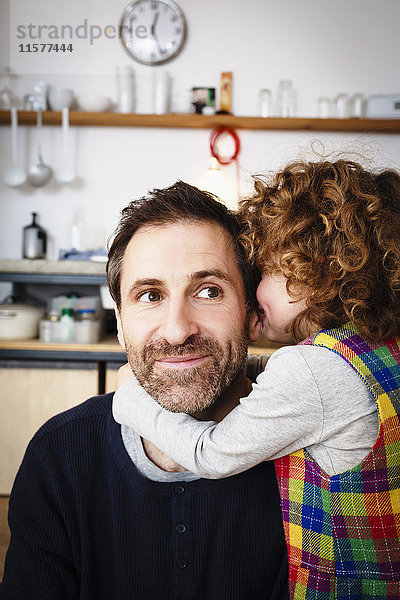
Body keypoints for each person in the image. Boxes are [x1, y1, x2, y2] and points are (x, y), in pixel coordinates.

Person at [113, 160, 400, 600]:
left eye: (266, 270)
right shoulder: (379, 351)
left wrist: (128, 398)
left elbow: (211, 455)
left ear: (316, 272)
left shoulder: (311, 372)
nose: (256, 287)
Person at [0, 181, 289, 599]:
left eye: (209, 291)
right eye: (150, 295)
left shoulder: (313, 452)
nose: (176, 331)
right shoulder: (59, 456)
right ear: (119, 322)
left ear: (253, 314)